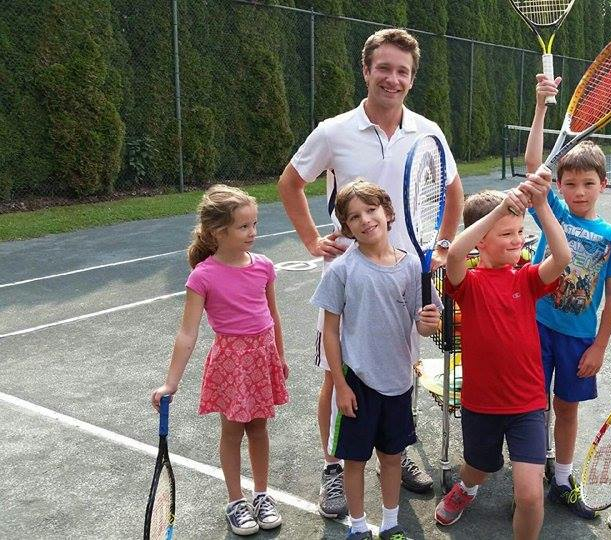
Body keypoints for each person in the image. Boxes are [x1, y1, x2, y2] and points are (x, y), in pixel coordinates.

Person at [277, 28, 463, 517]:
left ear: (412, 78)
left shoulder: (428, 132)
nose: (393, 79)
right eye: (384, 68)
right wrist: (311, 241)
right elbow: (290, 183)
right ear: (366, 70)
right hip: (352, 279)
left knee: (402, 367)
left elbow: (453, 192)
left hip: (406, 276)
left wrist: (440, 248)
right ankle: (334, 469)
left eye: (403, 71)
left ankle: (394, 455)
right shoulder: (334, 131)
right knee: (336, 373)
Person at [433, 172, 571, 539]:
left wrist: (540, 204)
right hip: (482, 404)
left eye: (520, 231)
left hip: (527, 403)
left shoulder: (526, 279)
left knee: (530, 494)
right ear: (483, 238)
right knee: (479, 467)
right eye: (506, 233)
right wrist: (500, 210)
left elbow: (563, 255)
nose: (518, 239)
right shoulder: (470, 282)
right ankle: (467, 488)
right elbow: (457, 252)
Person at [523, 74, 611, 518]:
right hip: (534, 326)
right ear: (560, 186)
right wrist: (540, 108)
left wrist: (600, 346)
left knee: (565, 407)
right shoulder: (549, 208)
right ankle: (532, 472)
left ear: (602, 184)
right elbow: (535, 162)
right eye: (570, 184)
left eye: (588, 184)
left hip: (578, 340)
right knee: (532, 405)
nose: (579, 192)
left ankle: (563, 477)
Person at [150, 185, 289, 536]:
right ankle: (236, 501)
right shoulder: (203, 276)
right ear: (218, 232)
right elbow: (187, 334)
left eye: (254, 224)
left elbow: (273, 316)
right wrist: (171, 382)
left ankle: (261, 495)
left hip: (261, 357)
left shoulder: (264, 267)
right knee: (232, 431)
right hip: (230, 360)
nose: (253, 232)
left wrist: (281, 357)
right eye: (244, 226)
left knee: (259, 427)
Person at [311, 181, 441, 540]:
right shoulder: (342, 270)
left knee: (392, 458)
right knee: (355, 460)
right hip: (357, 382)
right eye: (354, 216)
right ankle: (356, 527)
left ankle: (389, 523)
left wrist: (430, 323)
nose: (365, 219)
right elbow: (331, 333)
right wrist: (339, 383)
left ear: (387, 211)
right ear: (346, 227)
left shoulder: (412, 265)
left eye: (371, 210)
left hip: (399, 380)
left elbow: (425, 324)